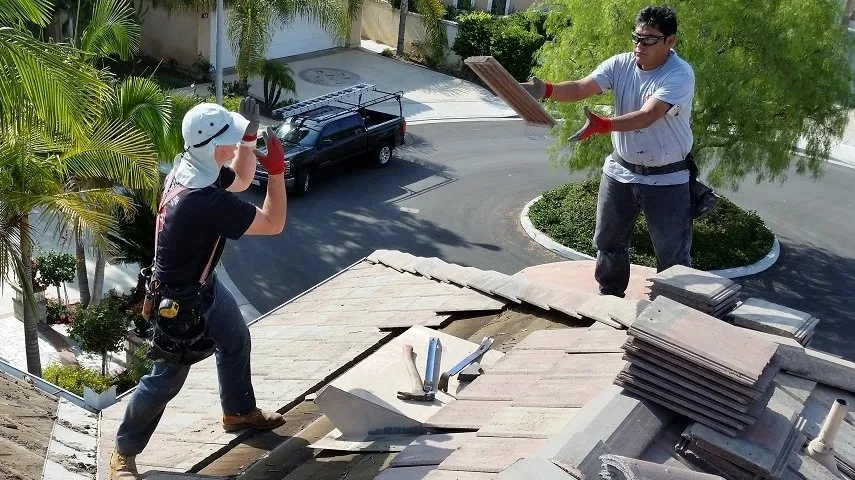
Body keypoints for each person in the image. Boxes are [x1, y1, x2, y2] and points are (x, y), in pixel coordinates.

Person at [110, 97, 289, 479]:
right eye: (234, 139)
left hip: (203, 285)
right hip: (177, 301)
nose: (239, 143)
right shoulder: (201, 200)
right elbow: (273, 223)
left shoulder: (193, 166)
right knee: (165, 381)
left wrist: (249, 140)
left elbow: (240, 179)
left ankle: (238, 411)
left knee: (236, 338)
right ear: (214, 147)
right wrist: (276, 172)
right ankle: (123, 453)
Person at [521, 5, 697, 298]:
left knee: (671, 252)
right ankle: (610, 295)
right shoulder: (621, 64)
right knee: (608, 241)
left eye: (649, 40)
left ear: (670, 42)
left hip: (667, 178)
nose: (639, 45)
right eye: (636, 37)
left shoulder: (680, 74)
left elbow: (648, 114)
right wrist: (546, 90)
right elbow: (580, 88)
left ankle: (671, 307)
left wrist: (603, 125)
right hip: (621, 171)